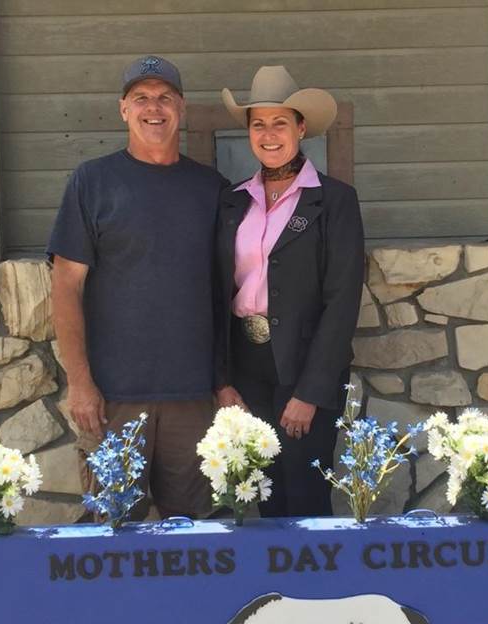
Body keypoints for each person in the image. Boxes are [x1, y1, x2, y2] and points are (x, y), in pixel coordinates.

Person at [48, 56, 227, 520]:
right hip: (113, 398)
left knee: (193, 536)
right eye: (142, 98)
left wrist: (224, 383)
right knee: (111, 530)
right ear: (123, 109)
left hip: (192, 396)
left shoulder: (212, 189)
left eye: (165, 97)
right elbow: (66, 286)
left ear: (181, 109)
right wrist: (81, 382)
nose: (155, 108)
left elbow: (227, 294)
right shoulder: (92, 182)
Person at [215, 66, 365, 518]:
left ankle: (314, 589)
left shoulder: (334, 201)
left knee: (304, 494)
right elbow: (217, 292)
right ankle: (274, 590)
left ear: (301, 127)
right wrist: (221, 380)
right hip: (247, 368)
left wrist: (311, 391)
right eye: (258, 124)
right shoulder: (233, 201)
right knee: (261, 493)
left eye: (280, 122)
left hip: (304, 368)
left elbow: (342, 300)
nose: (269, 134)